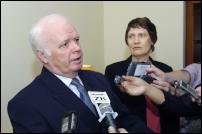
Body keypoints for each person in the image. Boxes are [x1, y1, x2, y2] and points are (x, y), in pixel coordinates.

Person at [7, 14, 153, 133]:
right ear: (43, 56)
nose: (77, 48)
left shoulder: (98, 79)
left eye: (76, 40)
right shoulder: (25, 104)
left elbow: (125, 118)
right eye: (65, 44)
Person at [105, 17, 179, 133]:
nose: (136, 41)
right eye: (131, 36)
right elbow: (111, 108)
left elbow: (174, 107)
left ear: (152, 40)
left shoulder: (165, 70)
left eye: (141, 35)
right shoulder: (113, 70)